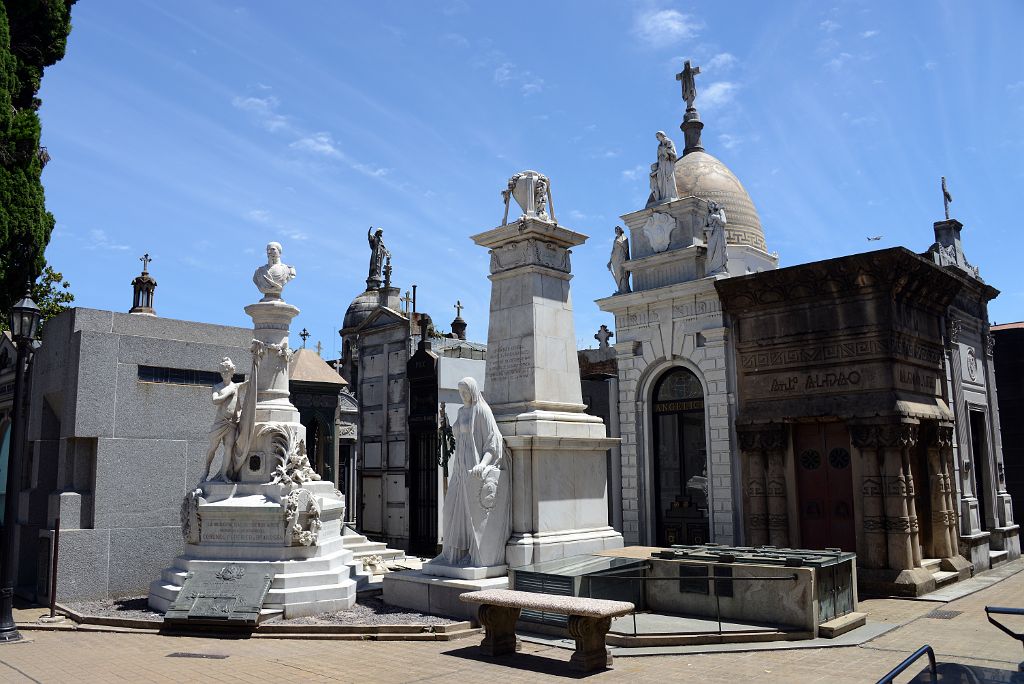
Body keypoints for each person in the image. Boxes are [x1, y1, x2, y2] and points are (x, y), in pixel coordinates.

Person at [436, 377, 511, 568]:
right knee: (451, 510)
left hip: (474, 467)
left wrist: (484, 464)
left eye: (465, 392)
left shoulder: (483, 411)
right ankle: (452, 554)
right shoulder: (461, 412)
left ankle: (472, 553)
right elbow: (456, 436)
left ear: (473, 391)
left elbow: (492, 443)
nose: (463, 396)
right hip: (459, 468)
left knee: (472, 513)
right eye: (460, 392)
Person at [204, 357, 248, 480]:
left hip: (232, 423)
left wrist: (258, 364)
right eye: (223, 371)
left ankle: (224, 474)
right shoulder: (217, 387)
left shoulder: (237, 386)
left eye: (227, 371)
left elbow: (250, 383)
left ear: (232, 372)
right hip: (220, 422)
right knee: (213, 447)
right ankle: (206, 470)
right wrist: (228, 393)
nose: (225, 374)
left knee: (228, 448)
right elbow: (215, 400)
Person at [651, 131, 679, 203]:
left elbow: (674, 155)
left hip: (668, 163)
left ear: (662, 135)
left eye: (658, 136)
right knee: (661, 180)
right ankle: (663, 196)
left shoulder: (669, 142)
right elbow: (658, 156)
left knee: (668, 178)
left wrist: (667, 151)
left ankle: (669, 195)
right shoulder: (659, 146)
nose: (657, 138)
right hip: (661, 164)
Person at [608, 225, 631, 294]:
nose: (617, 231)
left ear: (621, 230)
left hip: (622, 258)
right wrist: (610, 261)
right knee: (617, 274)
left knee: (623, 273)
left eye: (618, 229)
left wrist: (620, 243)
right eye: (616, 230)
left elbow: (626, 248)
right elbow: (613, 250)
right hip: (615, 259)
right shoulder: (615, 240)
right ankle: (620, 289)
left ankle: (625, 289)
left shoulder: (624, 238)